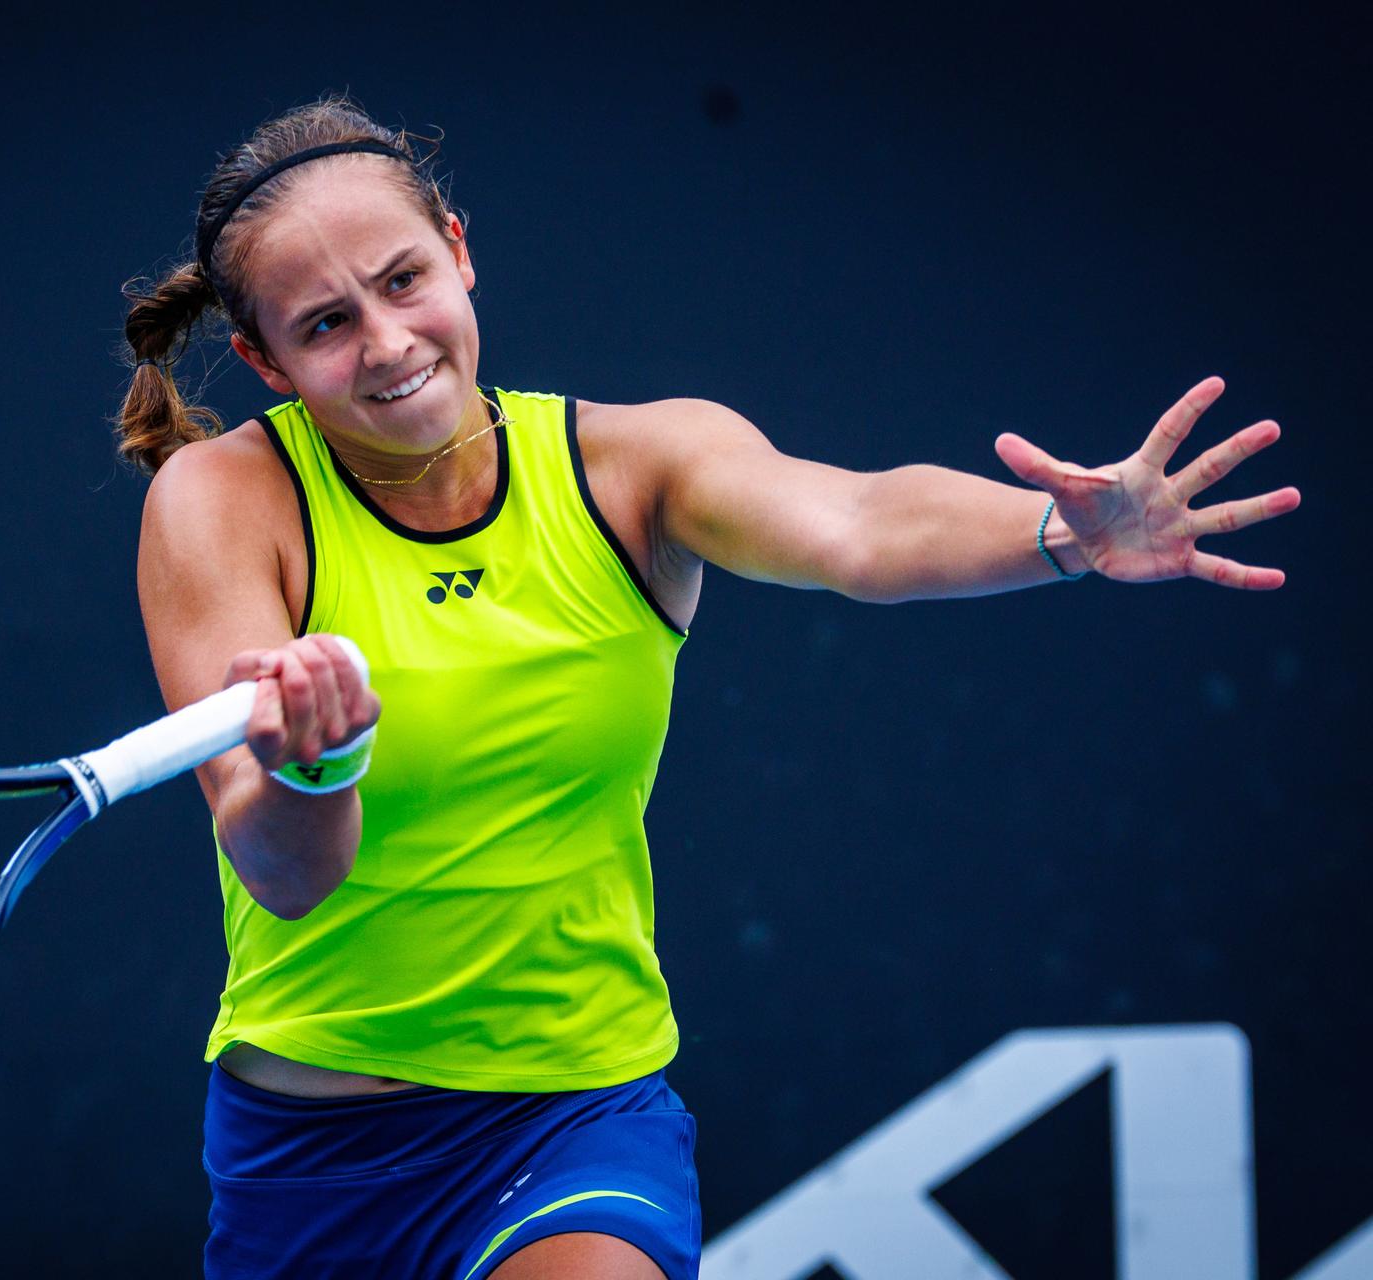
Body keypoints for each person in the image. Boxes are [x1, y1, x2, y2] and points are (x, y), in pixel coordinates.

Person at [116, 96, 1299, 1280]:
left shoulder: (635, 465)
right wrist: (318, 766)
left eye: (403, 279)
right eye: (327, 323)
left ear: (459, 251)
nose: (385, 342)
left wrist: (1058, 531)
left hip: (571, 1115)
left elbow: (858, 523)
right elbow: (286, 874)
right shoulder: (220, 503)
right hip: (308, 1155)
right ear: (264, 360)